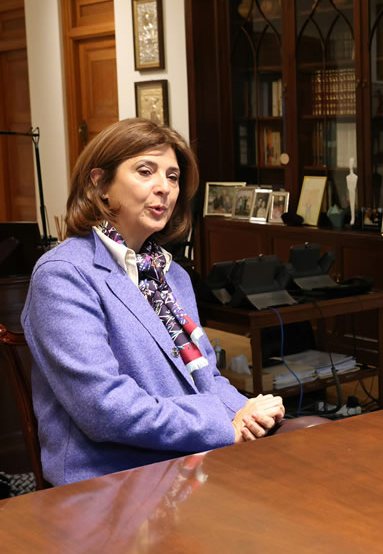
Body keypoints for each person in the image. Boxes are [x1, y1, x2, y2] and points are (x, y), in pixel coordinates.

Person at [22, 118, 284, 486]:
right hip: (113, 479)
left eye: (173, 177)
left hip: (191, 457)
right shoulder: (63, 274)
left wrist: (249, 412)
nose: (164, 188)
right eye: (145, 171)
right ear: (100, 184)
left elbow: (206, 378)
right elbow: (105, 407)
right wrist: (225, 425)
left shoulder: (171, 274)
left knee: (307, 445)